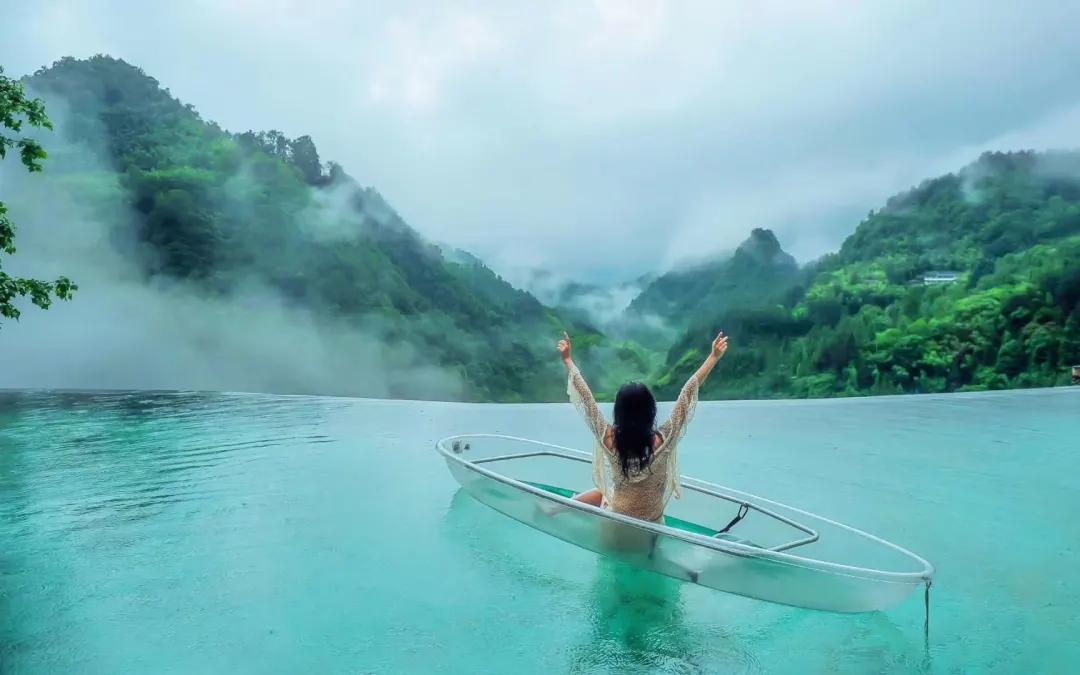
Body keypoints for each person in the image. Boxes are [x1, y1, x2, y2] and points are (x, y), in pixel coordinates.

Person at [556, 330, 728, 524]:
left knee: (603, 492)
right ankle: (559, 507)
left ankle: (555, 508)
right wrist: (713, 356)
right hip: (652, 526)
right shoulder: (664, 439)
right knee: (608, 493)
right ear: (650, 411)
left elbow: (587, 399)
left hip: (615, 524)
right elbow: (688, 392)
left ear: (619, 412)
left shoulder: (609, 438)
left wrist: (567, 359)